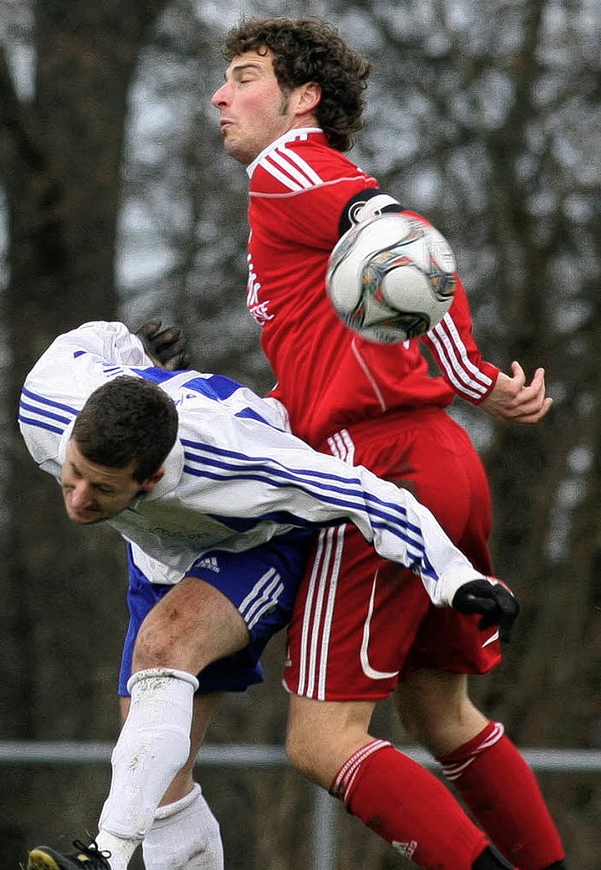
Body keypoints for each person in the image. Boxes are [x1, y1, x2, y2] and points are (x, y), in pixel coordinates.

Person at [211, 15, 566, 870]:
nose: (221, 96)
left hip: (375, 474)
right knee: (441, 715)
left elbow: (392, 226)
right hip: (442, 454)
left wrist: (373, 213)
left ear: (305, 100)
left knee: (321, 740)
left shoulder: (286, 165)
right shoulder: (317, 187)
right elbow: (413, 258)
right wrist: (479, 380)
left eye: (246, 75)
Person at [19, 320, 518, 870]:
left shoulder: (242, 462)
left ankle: (104, 857)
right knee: (160, 780)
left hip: (260, 542)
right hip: (159, 557)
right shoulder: (48, 398)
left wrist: (455, 577)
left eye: (103, 488)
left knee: (164, 648)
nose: (79, 498)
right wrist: (140, 354)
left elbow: (370, 496)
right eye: (73, 476)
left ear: (155, 476)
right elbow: (101, 336)